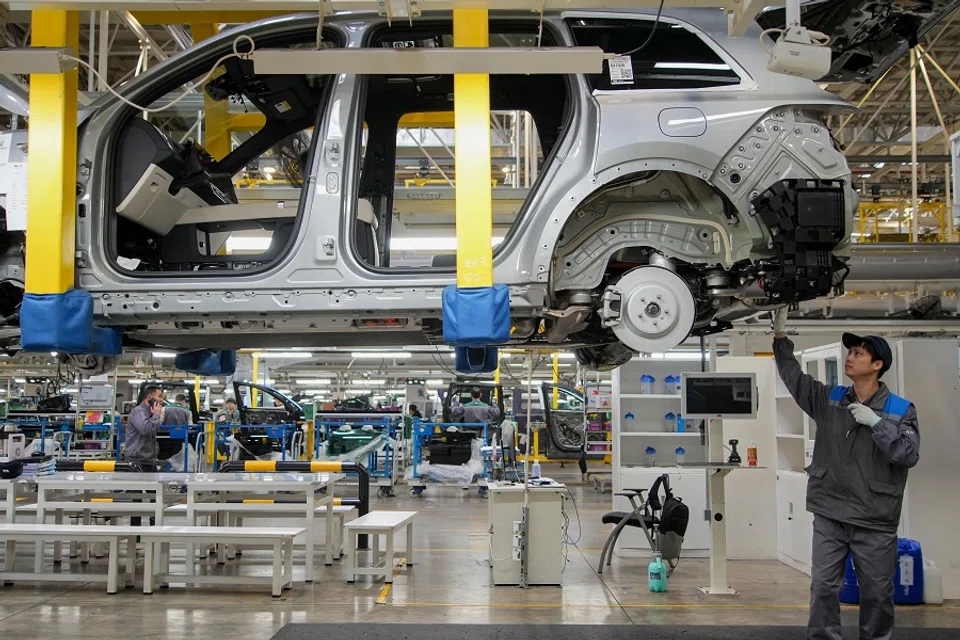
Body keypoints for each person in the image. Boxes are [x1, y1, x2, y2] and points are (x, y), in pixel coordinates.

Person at [772, 308, 920, 640]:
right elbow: (796, 379)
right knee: (823, 587)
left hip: (874, 518)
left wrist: (878, 424)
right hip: (831, 513)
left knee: (877, 595)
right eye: (850, 352)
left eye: (858, 353)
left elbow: (908, 455)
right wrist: (781, 338)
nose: (849, 358)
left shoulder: (899, 410)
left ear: (877, 364)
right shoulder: (831, 399)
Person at [125, 385, 163, 472]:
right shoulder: (139, 412)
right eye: (159, 396)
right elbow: (146, 430)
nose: (161, 400)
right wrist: (156, 415)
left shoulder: (150, 413)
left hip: (148, 461)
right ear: (150, 397)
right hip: (137, 462)